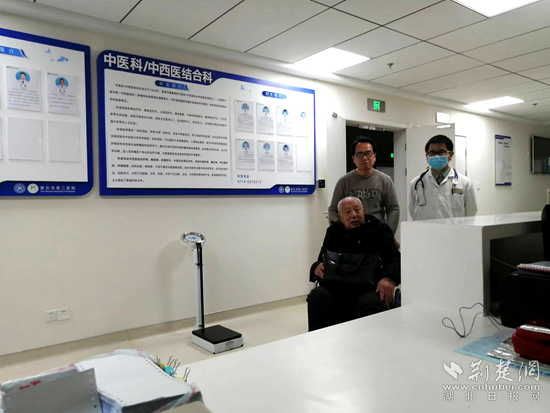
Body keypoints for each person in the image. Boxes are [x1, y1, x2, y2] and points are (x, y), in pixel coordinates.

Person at [307, 197, 400, 331]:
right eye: (347, 212)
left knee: (370, 304)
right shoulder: (333, 232)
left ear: (364, 211)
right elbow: (321, 259)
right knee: (317, 297)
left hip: (368, 288)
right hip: (335, 288)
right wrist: (317, 267)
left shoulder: (379, 230)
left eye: (357, 210)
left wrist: (389, 279)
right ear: (340, 217)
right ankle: (321, 342)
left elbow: (394, 258)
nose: (354, 215)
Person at [329, 137, 400, 234]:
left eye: (368, 153)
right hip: (350, 234)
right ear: (353, 158)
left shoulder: (385, 181)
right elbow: (333, 209)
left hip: (376, 233)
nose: (365, 158)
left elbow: (393, 209)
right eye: (360, 154)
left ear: (374, 156)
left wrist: (389, 233)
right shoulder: (344, 182)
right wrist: (340, 230)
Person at [409, 135, 477, 221]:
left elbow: (470, 214)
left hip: (454, 229)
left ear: (450, 155)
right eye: (432, 152)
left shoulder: (465, 183)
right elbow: (413, 211)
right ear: (427, 157)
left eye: (441, 152)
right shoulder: (416, 183)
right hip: (425, 229)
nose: (436, 156)